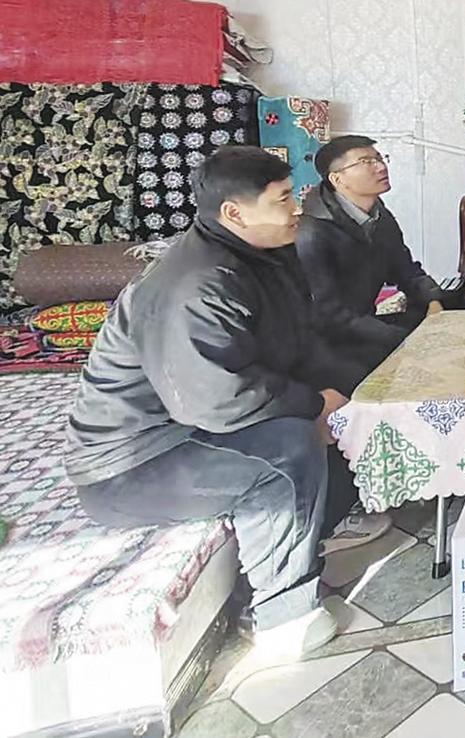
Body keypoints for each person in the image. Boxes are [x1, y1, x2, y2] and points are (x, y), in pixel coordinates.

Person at [63, 147, 385, 658]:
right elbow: (214, 399)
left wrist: (337, 391)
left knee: (346, 394)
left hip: (191, 425)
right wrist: (310, 405)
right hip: (134, 464)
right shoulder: (197, 284)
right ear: (235, 212)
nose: (297, 209)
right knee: (288, 448)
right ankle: (281, 616)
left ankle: (318, 536)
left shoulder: (263, 254)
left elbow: (297, 342)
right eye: (282, 200)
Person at [296, 135, 444, 374]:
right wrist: (401, 338)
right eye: (366, 162)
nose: (381, 167)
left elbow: (406, 270)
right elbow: (329, 314)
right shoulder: (311, 232)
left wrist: (433, 302)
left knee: (447, 324)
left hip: (363, 326)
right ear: (337, 179)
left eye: (379, 158)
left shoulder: (379, 215)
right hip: (327, 343)